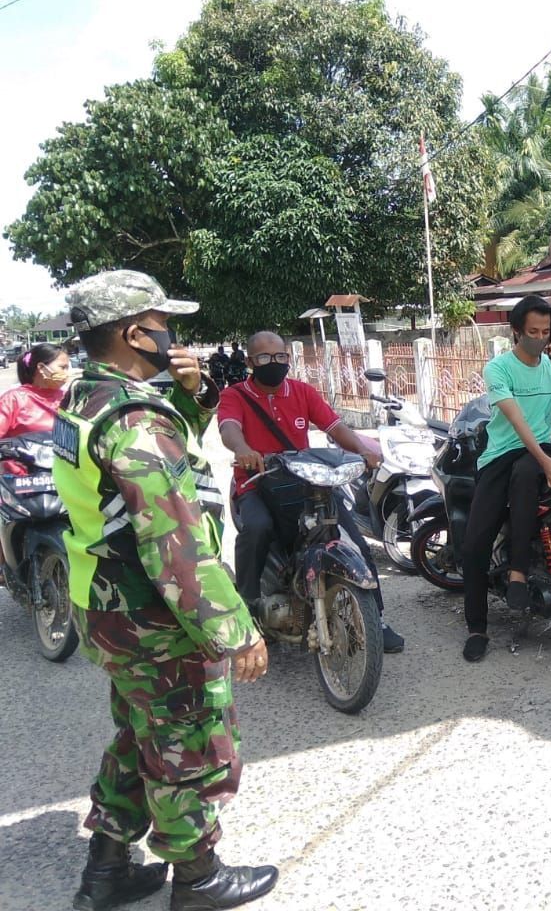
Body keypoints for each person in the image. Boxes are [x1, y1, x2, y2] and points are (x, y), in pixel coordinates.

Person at [54, 270, 277, 911]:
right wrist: (233, 629)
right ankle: (199, 879)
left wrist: (192, 394)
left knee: (139, 733)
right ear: (134, 333)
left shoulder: (88, 398)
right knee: (189, 742)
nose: (170, 334)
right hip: (151, 611)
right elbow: (173, 544)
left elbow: (155, 460)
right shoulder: (132, 420)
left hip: (104, 602)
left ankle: (108, 869)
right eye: (161, 324)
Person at [217, 330, 404, 653]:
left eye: (279, 357)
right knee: (257, 528)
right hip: (256, 482)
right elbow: (229, 428)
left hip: (306, 481)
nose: (273, 364)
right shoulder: (236, 395)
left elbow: (335, 427)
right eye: (264, 358)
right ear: (249, 362)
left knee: (354, 542)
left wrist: (363, 449)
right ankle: (245, 608)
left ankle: (377, 618)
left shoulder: (303, 392)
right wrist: (244, 448)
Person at [459, 294, 551, 662]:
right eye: (532, 331)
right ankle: (477, 628)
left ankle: (518, 573)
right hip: (502, 455)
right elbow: (516, 421)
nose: (540, 338)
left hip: (540, 452)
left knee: (529, 472)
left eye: (546, 332)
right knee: (474, 544)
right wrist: (544, 461)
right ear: (516, 331)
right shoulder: (498, 368)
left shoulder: (550, 366)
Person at [0, 342, 70, 467]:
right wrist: (14, 450)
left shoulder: (69, 397)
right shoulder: (13, 399)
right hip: (21, 479)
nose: (66, 374)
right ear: (42, 368)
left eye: (67, 368)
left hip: (63, 477)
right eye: (62, 367)